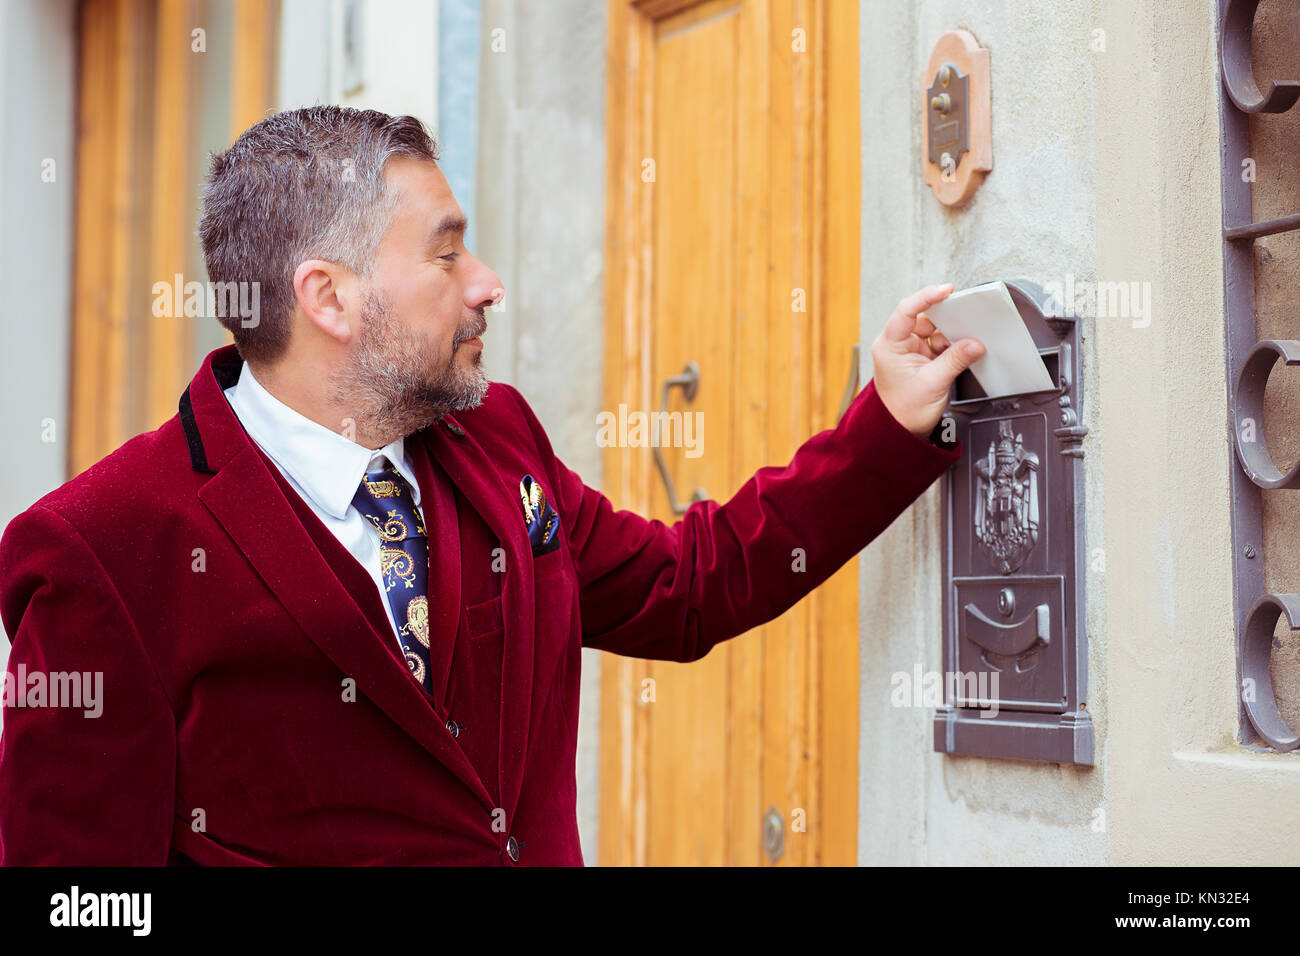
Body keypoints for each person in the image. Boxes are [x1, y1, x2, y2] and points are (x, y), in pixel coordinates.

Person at [0, 106, 985, 865]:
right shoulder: (104, 548)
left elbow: (688, 585)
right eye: (445, 250)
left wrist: (887, 423)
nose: (485, 280)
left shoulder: (496, 436)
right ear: (327, 297)